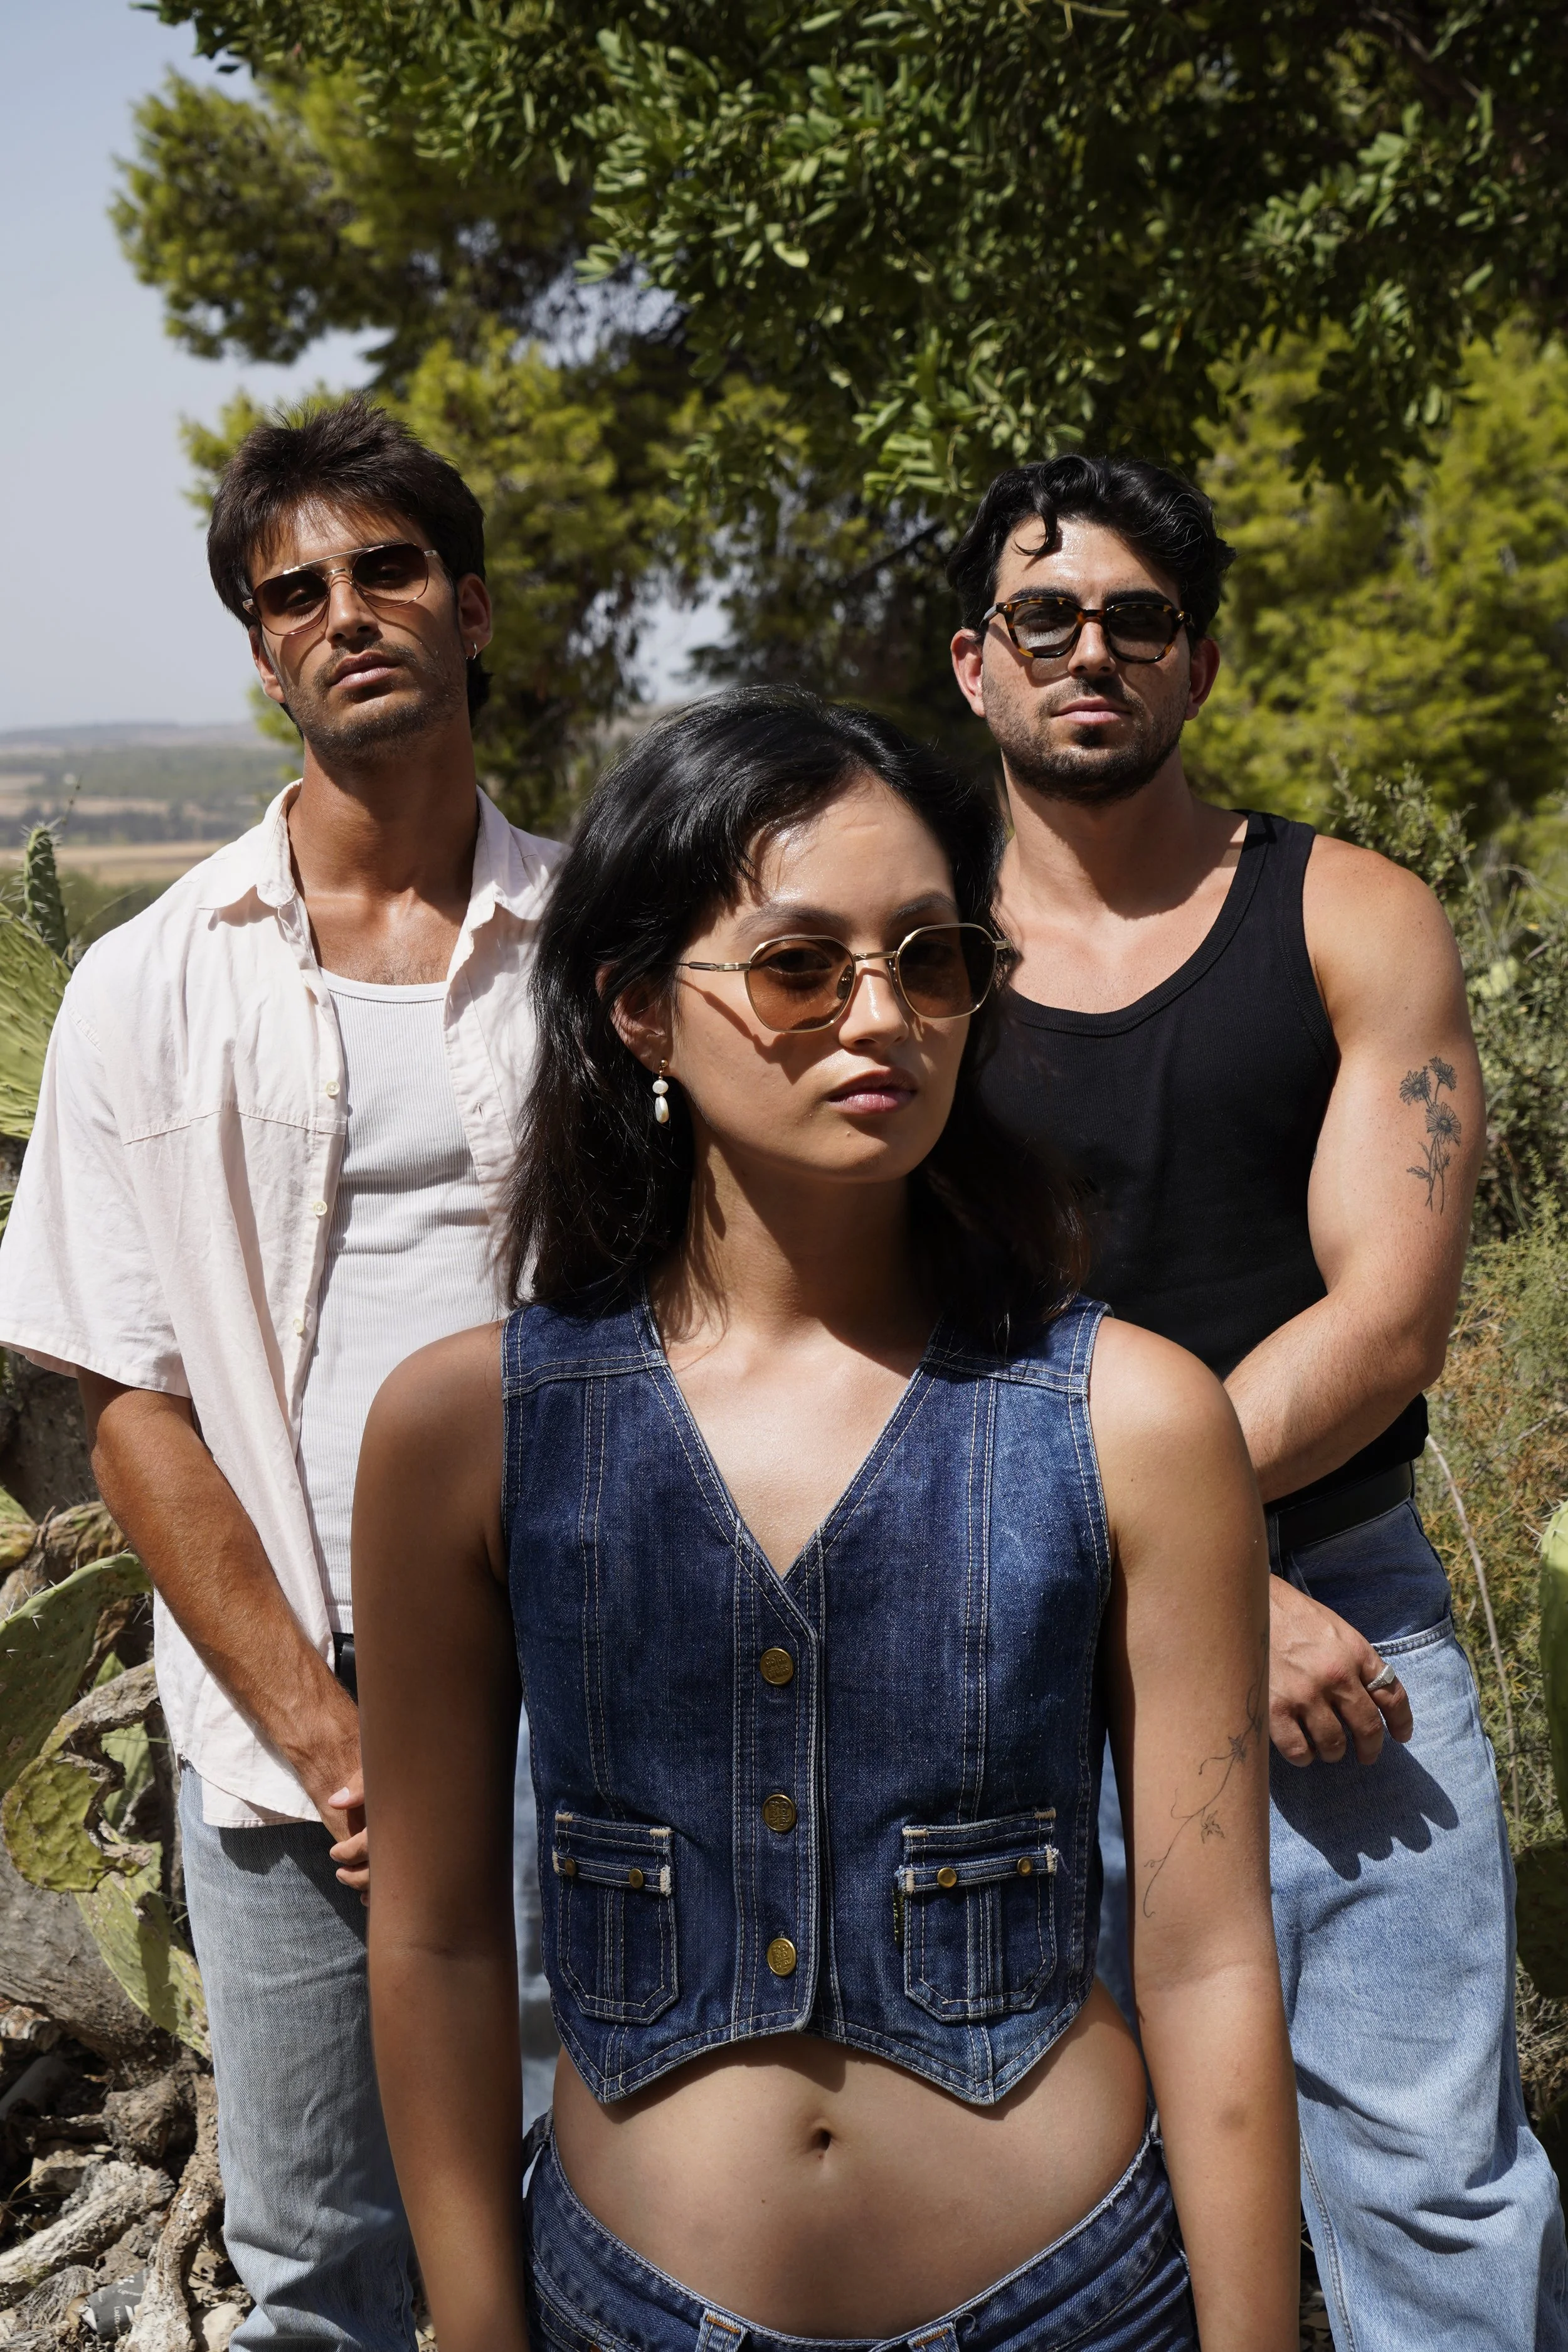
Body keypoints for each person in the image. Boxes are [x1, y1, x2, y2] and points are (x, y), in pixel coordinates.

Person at [352, 689, 1299, 2352]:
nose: (883, 1015)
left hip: (1075, 2305)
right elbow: (434, 1940)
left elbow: (1209, 1955)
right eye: (799, 966)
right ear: (640, 1008)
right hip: (625, 2309)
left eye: (931, 959)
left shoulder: (1134, 1417)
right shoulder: (465, 1433)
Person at [948, 455, 1568, 2349]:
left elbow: (1387, 1321)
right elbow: (858, 1323)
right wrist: (1192, 1587)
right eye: (1044, 617)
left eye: (1139, 619)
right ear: (974, 660)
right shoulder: (904, 952)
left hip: (1341, 1624)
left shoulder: (1348, 916)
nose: (1092, 652)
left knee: (1433, 2190)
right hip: (986, 1633)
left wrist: (1201, 1572)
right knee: (1043, 2208)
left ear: (1200, 663)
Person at [0, 395, 562, 2349]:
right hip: (290, 1725)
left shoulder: (612, 945)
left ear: (468, 606)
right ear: (261, 655)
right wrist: (334, 1742)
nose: (345, 611)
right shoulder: (149, 983)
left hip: (602, 1678)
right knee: (326, 2261)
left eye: (386, 568)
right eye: (293, 591)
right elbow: (127, 1402)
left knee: (628, 2218)